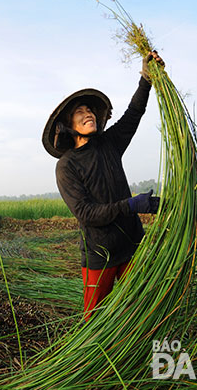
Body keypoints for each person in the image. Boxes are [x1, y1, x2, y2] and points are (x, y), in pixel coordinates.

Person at [42, 51, 163, 322]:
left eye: (90, 111)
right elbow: (85, 213)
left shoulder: (110, 144)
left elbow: (133, 115)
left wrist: (146, 79)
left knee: (142, 307)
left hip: (132, 243)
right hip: (100, 252)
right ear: (67, 126)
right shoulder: (67, 166)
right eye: (80, 112)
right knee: (95, 320)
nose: (88, 114)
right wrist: (131, 205)